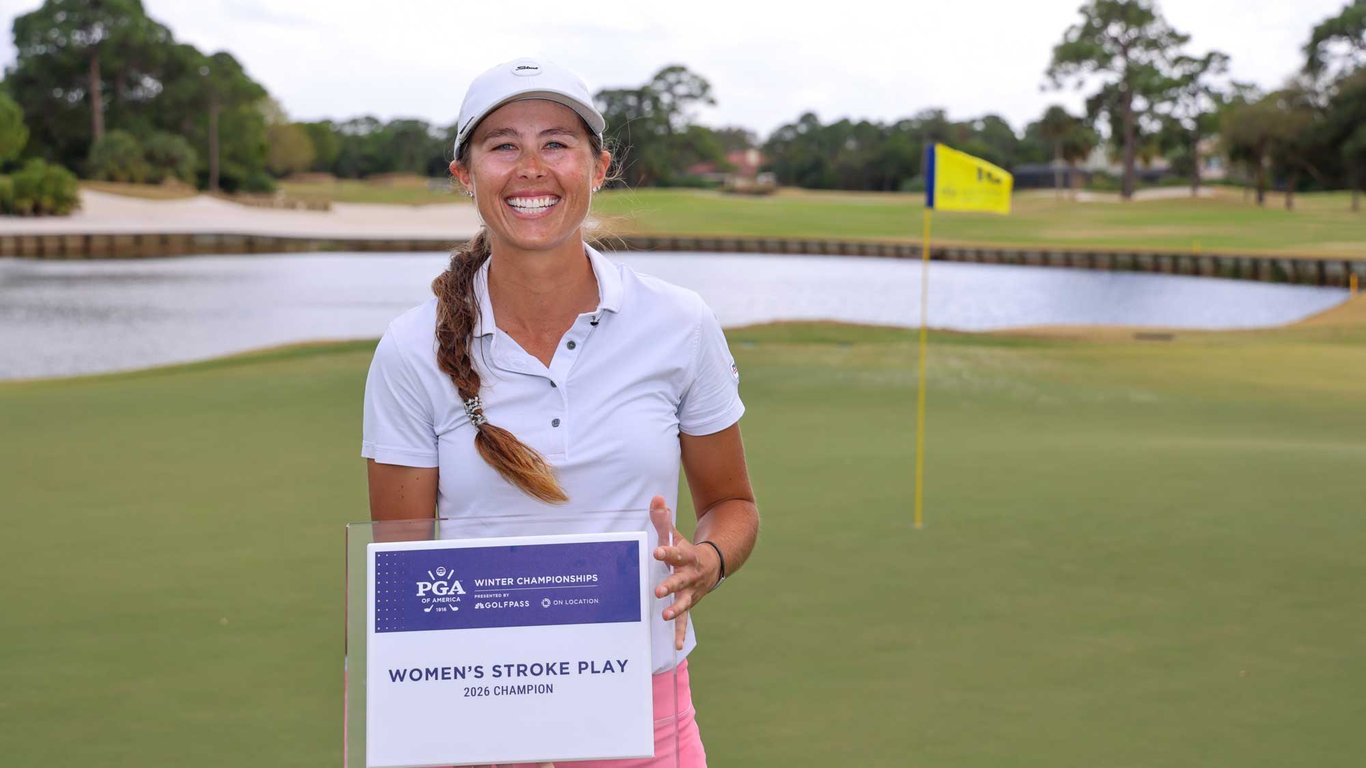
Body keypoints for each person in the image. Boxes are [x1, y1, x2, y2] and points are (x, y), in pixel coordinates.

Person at [361, 57, 759, 767]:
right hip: (479, 717)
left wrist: (709, 559)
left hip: (647, 717)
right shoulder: (408, 348)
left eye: (556, 143)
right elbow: (403, 572)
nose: (531, 167)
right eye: (503, 145)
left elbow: (733, 505)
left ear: (598, 168)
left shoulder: (680, 322)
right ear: (465, 175)